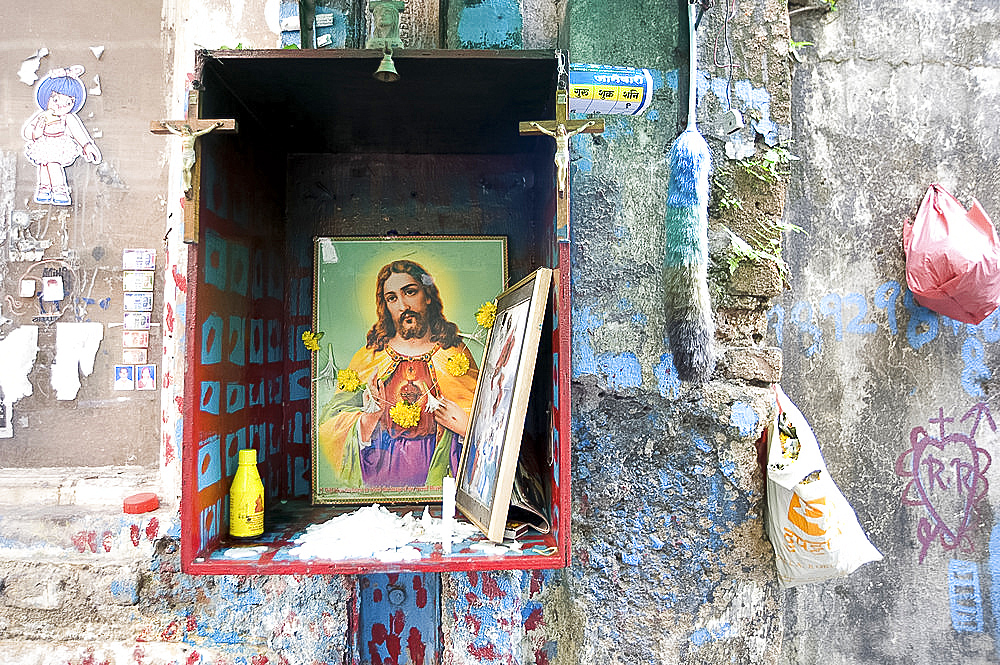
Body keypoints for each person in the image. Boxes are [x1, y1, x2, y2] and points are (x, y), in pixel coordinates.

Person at [317, 260, 479, 490]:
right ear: (386, 306)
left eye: (410, 292)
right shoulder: (370, 358)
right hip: (381, 471)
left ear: (428, 295)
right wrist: (367, 419)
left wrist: (466, 428)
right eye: (392, 298)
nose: (403, 305)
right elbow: (328, 426)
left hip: (442, 474)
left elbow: (489, 421)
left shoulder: (454, 355)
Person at [22, 65, 102, 206]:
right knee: (43, 166)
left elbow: (78, 132)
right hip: (44, 144)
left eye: (68, 102)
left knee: (53, 165)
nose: (61, 106)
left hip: (59, 145)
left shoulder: (68, 118)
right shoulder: (42, 116)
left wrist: (87, 145)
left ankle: (60, 190)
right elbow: (28, 131)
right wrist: (37, 131)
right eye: (55, 99)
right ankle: (44, 188)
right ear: (47, 97)